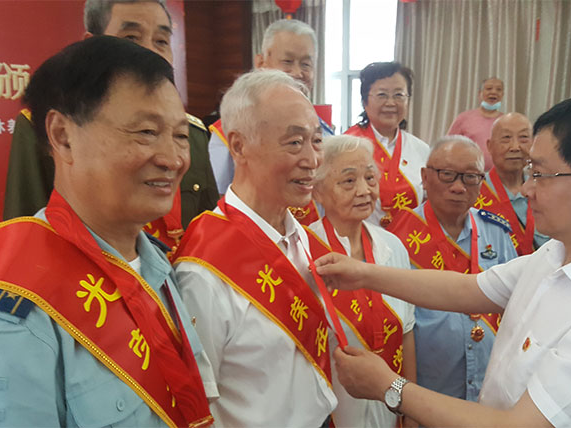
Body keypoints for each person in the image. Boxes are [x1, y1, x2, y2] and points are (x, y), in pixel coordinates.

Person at [315, 93, 571, 427]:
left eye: (541, 174)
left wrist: (389, 387)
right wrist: (362, 274)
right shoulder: (560, 252)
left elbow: (519, 425)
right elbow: (470, 289)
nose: (526, 188)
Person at [0, 36, 215, 427]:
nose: (173, 159)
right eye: (146, 132)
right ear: (63, 136)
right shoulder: (13, 314)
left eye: (180, 135)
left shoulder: (155, 263)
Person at [173, 70, 337, 426]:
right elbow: (196, 406)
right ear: (238, 146)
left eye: (316, 140)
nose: (312, 159)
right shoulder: (203, 268)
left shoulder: (303, 239)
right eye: (294, 142)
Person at [3, 0, 219, 250]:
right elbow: (27, 231)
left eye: (161, 41)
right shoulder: (51, 125)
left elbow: (206, 231)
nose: (150, 52)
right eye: (131, 37)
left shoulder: (193, 133)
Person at [387, 135, 516, 403]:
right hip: (426, 391)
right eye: (447, 175)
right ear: (425, 177)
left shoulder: (497, 232)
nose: (458, 187)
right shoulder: (398, 238)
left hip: (490, 390)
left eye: (470, 177)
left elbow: (515, 306)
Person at [305, 134, 417, 427]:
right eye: (348, 181)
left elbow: (407, 331)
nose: (364, 190)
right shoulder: (304, 252)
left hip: (389, 409)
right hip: (329, 413)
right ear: (317, 192)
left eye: (370, 178)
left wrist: (412, 411)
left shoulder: (393, 246)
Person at [208, 19, 334, 200]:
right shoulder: (231, 132)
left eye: (306, 64)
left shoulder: (324, 132)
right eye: (287, 61)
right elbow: (218, 196)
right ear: (261, 63)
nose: (297, 73)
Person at [345, 61, 430, 228]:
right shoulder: (347, 146)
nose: (391, 103)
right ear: (364, 101)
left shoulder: (421, 149)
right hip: (356, 239)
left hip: (409, 239)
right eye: (382, 95)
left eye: (399, 95)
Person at [474, 112, 548, 256]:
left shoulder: (544, 187)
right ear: (489, 146)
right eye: (506, 138)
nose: (515, 147)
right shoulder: (474, 190)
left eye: (523, 138)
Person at [447, 78, 505, 171]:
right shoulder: (464, 118)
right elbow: (448, 145)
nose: (494, 92)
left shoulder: (506, 121)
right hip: (468, 172)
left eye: (498, 89)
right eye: (489, 88)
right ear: (480, 94)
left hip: (498, 174)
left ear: (502, 95)